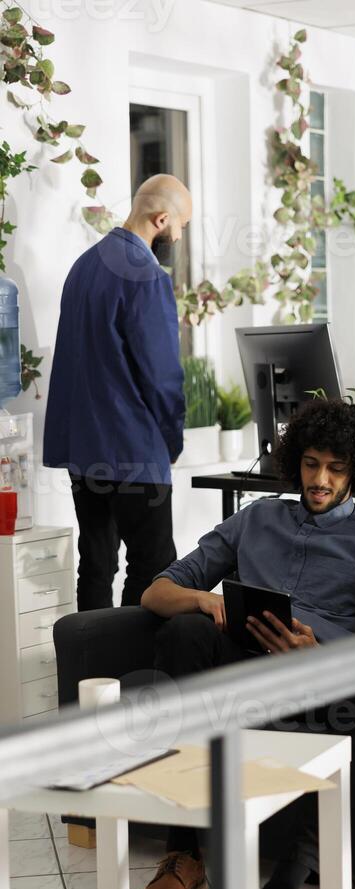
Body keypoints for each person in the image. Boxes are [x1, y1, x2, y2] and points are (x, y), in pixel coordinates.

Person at [135, 399, 355, 889]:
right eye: (311, 464)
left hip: (329, 680)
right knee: (182, 635)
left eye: (335, 469)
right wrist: (205, 598)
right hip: (244, 661)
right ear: (295, 462)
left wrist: (319, 653)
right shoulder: (257, 518)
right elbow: (154, 593)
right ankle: (184, 857)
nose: (320, 480)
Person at [44, 174, 190, 610]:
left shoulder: (83, 266)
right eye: (182, 226)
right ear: (161, 219)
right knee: (154, 569)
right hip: (133, 452)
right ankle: (130, 672)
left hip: (84, 451)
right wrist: (173, 440)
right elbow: (162, 375)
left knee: (97, 562)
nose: (179, 236)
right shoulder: (147, 276)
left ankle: (90, 676)